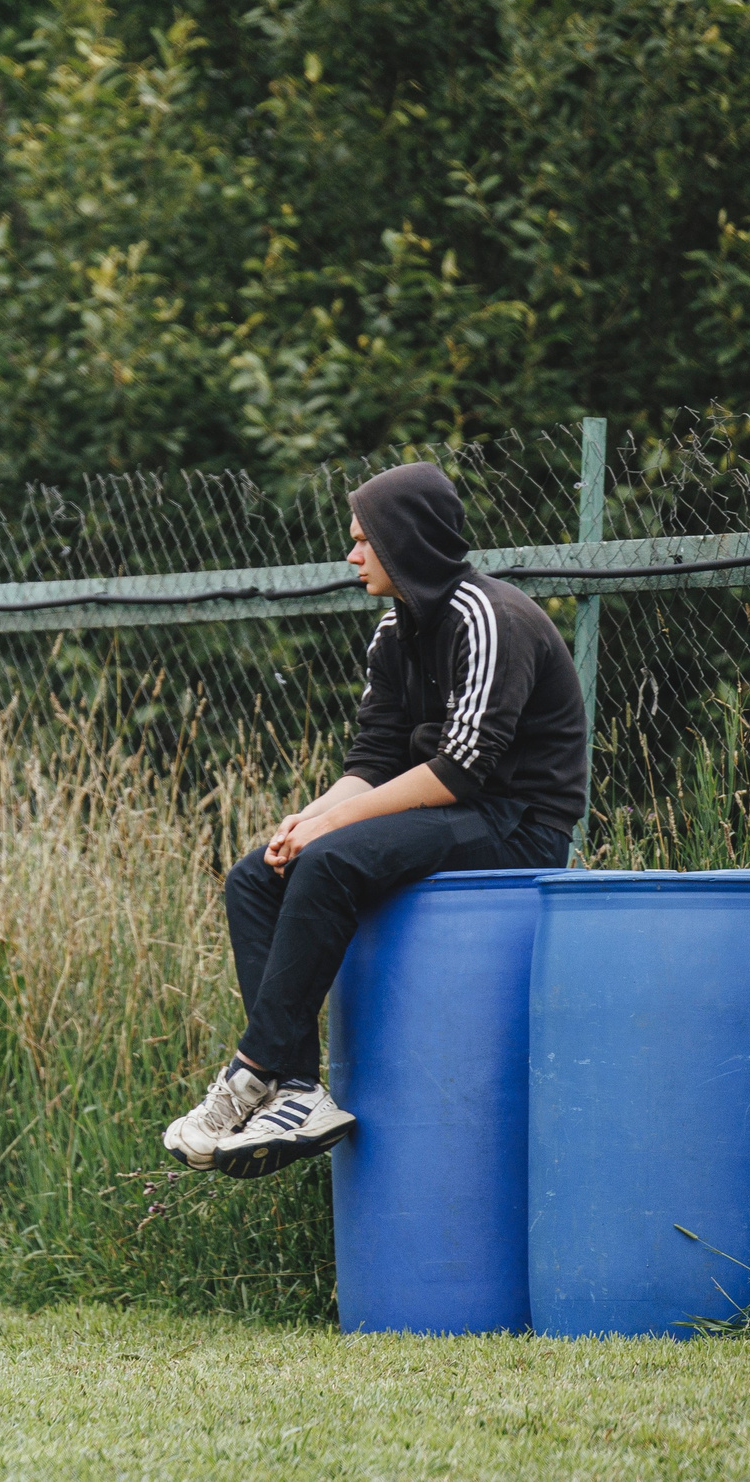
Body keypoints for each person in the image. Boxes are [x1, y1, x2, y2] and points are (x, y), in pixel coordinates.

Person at [165, 461, 587, 1178]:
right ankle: (297, 1089)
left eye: (365, 540)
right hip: (450, 813)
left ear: (406, 539)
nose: (352, 555)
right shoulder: (396, 629)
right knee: (256, 875)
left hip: (518, 822)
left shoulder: (490, 616)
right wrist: (307, 817)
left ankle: (250, 1073)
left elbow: (462, 768)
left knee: (330, 859)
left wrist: (334, 828)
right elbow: (375, 755)